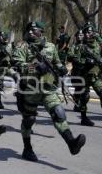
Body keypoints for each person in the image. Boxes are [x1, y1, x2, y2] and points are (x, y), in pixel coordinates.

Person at [12, 21, 86, 161]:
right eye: (29, 30)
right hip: (30, 89)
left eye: (34, 30)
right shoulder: (23, 46)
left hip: (48, 88)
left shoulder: (51, 46)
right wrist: (34, 67)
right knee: (29, 120)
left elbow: (56, 62)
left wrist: (61, 68)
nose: (31, 33)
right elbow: (16, 65)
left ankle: (71, 143)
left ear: (41, 31)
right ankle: (27, 148)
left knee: (59, 113)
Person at [68, 22, 102, 126]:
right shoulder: (80, 46)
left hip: (95, 76)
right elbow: (74, 60)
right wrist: (85, 61)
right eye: (86, 32)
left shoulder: (97, 44)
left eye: (90, 32)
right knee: (85, 97)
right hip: (84, 76)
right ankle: (84, 118)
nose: (88, 34)